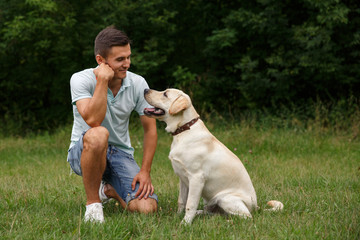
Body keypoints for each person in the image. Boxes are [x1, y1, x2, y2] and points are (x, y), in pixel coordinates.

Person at [67, 26, 158, 223]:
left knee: (147, 208)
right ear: (101, 61)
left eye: (128, 57)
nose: (127, 64)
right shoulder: (80, 79)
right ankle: (93, 206)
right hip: (83, 150)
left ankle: (109, 191)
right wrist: (102, 81)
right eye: (120, 59)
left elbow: (150, 129)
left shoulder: (138, 83)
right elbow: (93, 121)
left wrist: (145, 171)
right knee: (99, 133)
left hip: (120, 154)